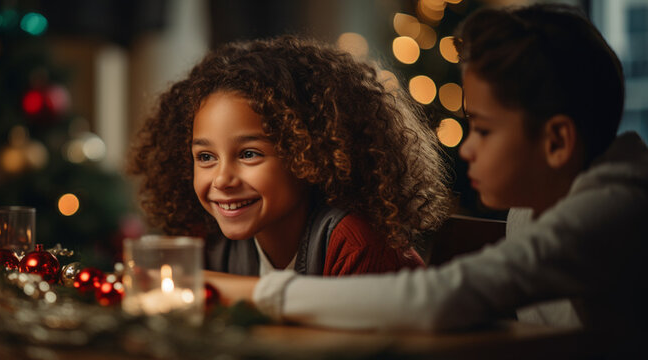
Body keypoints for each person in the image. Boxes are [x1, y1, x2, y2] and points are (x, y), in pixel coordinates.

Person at [206, 3, 648, 355]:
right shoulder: (531, 210)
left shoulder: (615, 209)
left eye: (483, 128)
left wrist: (252, 293)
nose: (467, 147)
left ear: (557, 142)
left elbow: (439, 299)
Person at [127, 36, 451, 277]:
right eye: (206, 157)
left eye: (249, 154)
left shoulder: (357, 245)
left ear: (310, 154)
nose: (222, 179)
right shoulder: (204, 238)